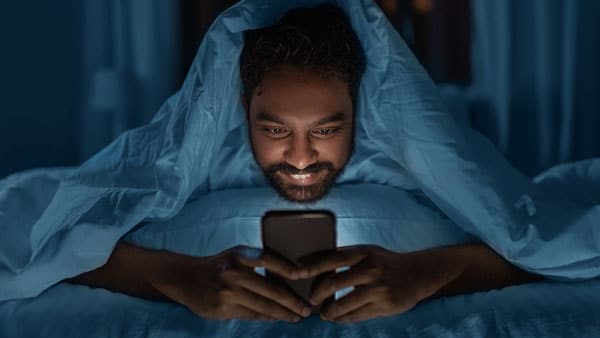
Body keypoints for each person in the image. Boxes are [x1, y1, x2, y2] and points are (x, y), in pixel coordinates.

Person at [68, 4, 542, 323]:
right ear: (242, 108)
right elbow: (56, 243)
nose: (300, 159)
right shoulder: (197, 157)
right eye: (275, 130)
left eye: (325, 130)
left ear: (359, 109)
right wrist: (177, 277)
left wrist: (428, 273)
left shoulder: (406, 161)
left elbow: (537, 244)